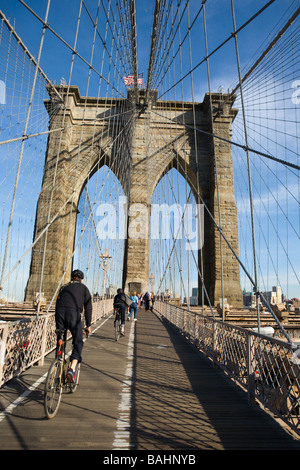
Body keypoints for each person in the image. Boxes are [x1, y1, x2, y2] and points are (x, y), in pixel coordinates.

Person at [55, 269, 92, 383]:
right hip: (73, 315)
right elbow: (88, 308)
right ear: (81, 280)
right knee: (78, 341)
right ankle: (72, 369)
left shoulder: (63, 287)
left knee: (60, 338)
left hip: (59, 313)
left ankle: (58, 365)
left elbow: (57, 303)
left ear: (71, 278)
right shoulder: (84, 289)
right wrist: (88, 325)